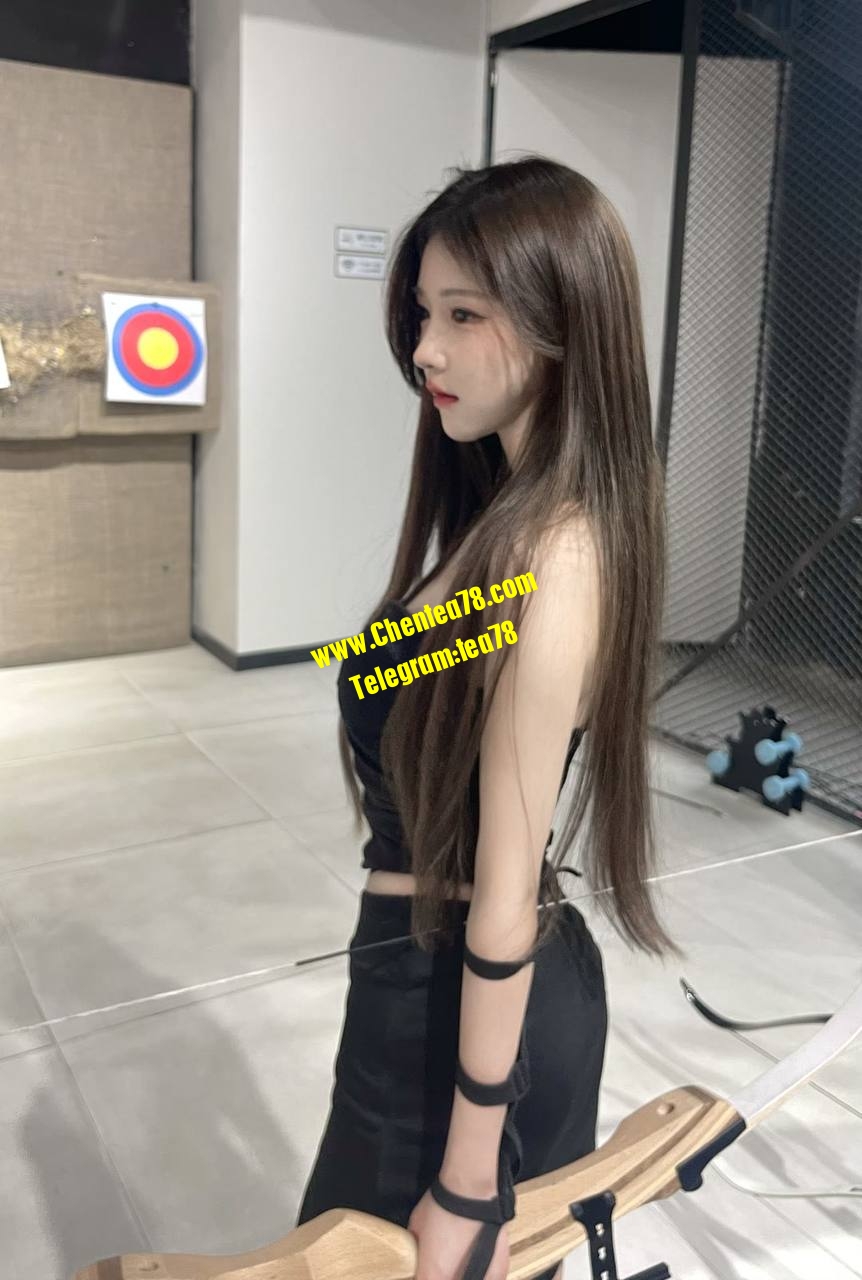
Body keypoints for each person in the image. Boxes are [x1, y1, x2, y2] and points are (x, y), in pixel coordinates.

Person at [295, 154, 682, 1280]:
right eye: (424, 313)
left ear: (565, 326)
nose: (425, 349)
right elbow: (449, 663)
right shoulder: (502, 518)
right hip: (414, 976)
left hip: (462, 1006)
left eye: (464, 314)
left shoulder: (559, 555)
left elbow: (506, 890)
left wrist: (472, 1174)